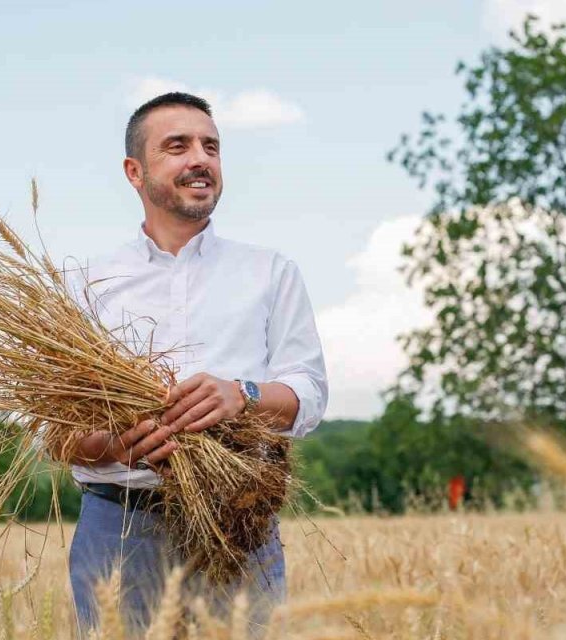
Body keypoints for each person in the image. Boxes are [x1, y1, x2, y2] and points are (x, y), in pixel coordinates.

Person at [52, 92, 329, 635]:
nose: (200, 159)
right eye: (176, 146)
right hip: (118, 526)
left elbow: (310, 394)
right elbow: (55, 430)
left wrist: (242, 395)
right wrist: (116, 444)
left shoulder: (270, 272)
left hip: (238, 525)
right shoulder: (83, 284)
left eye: (211, 146)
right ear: (135, 171)